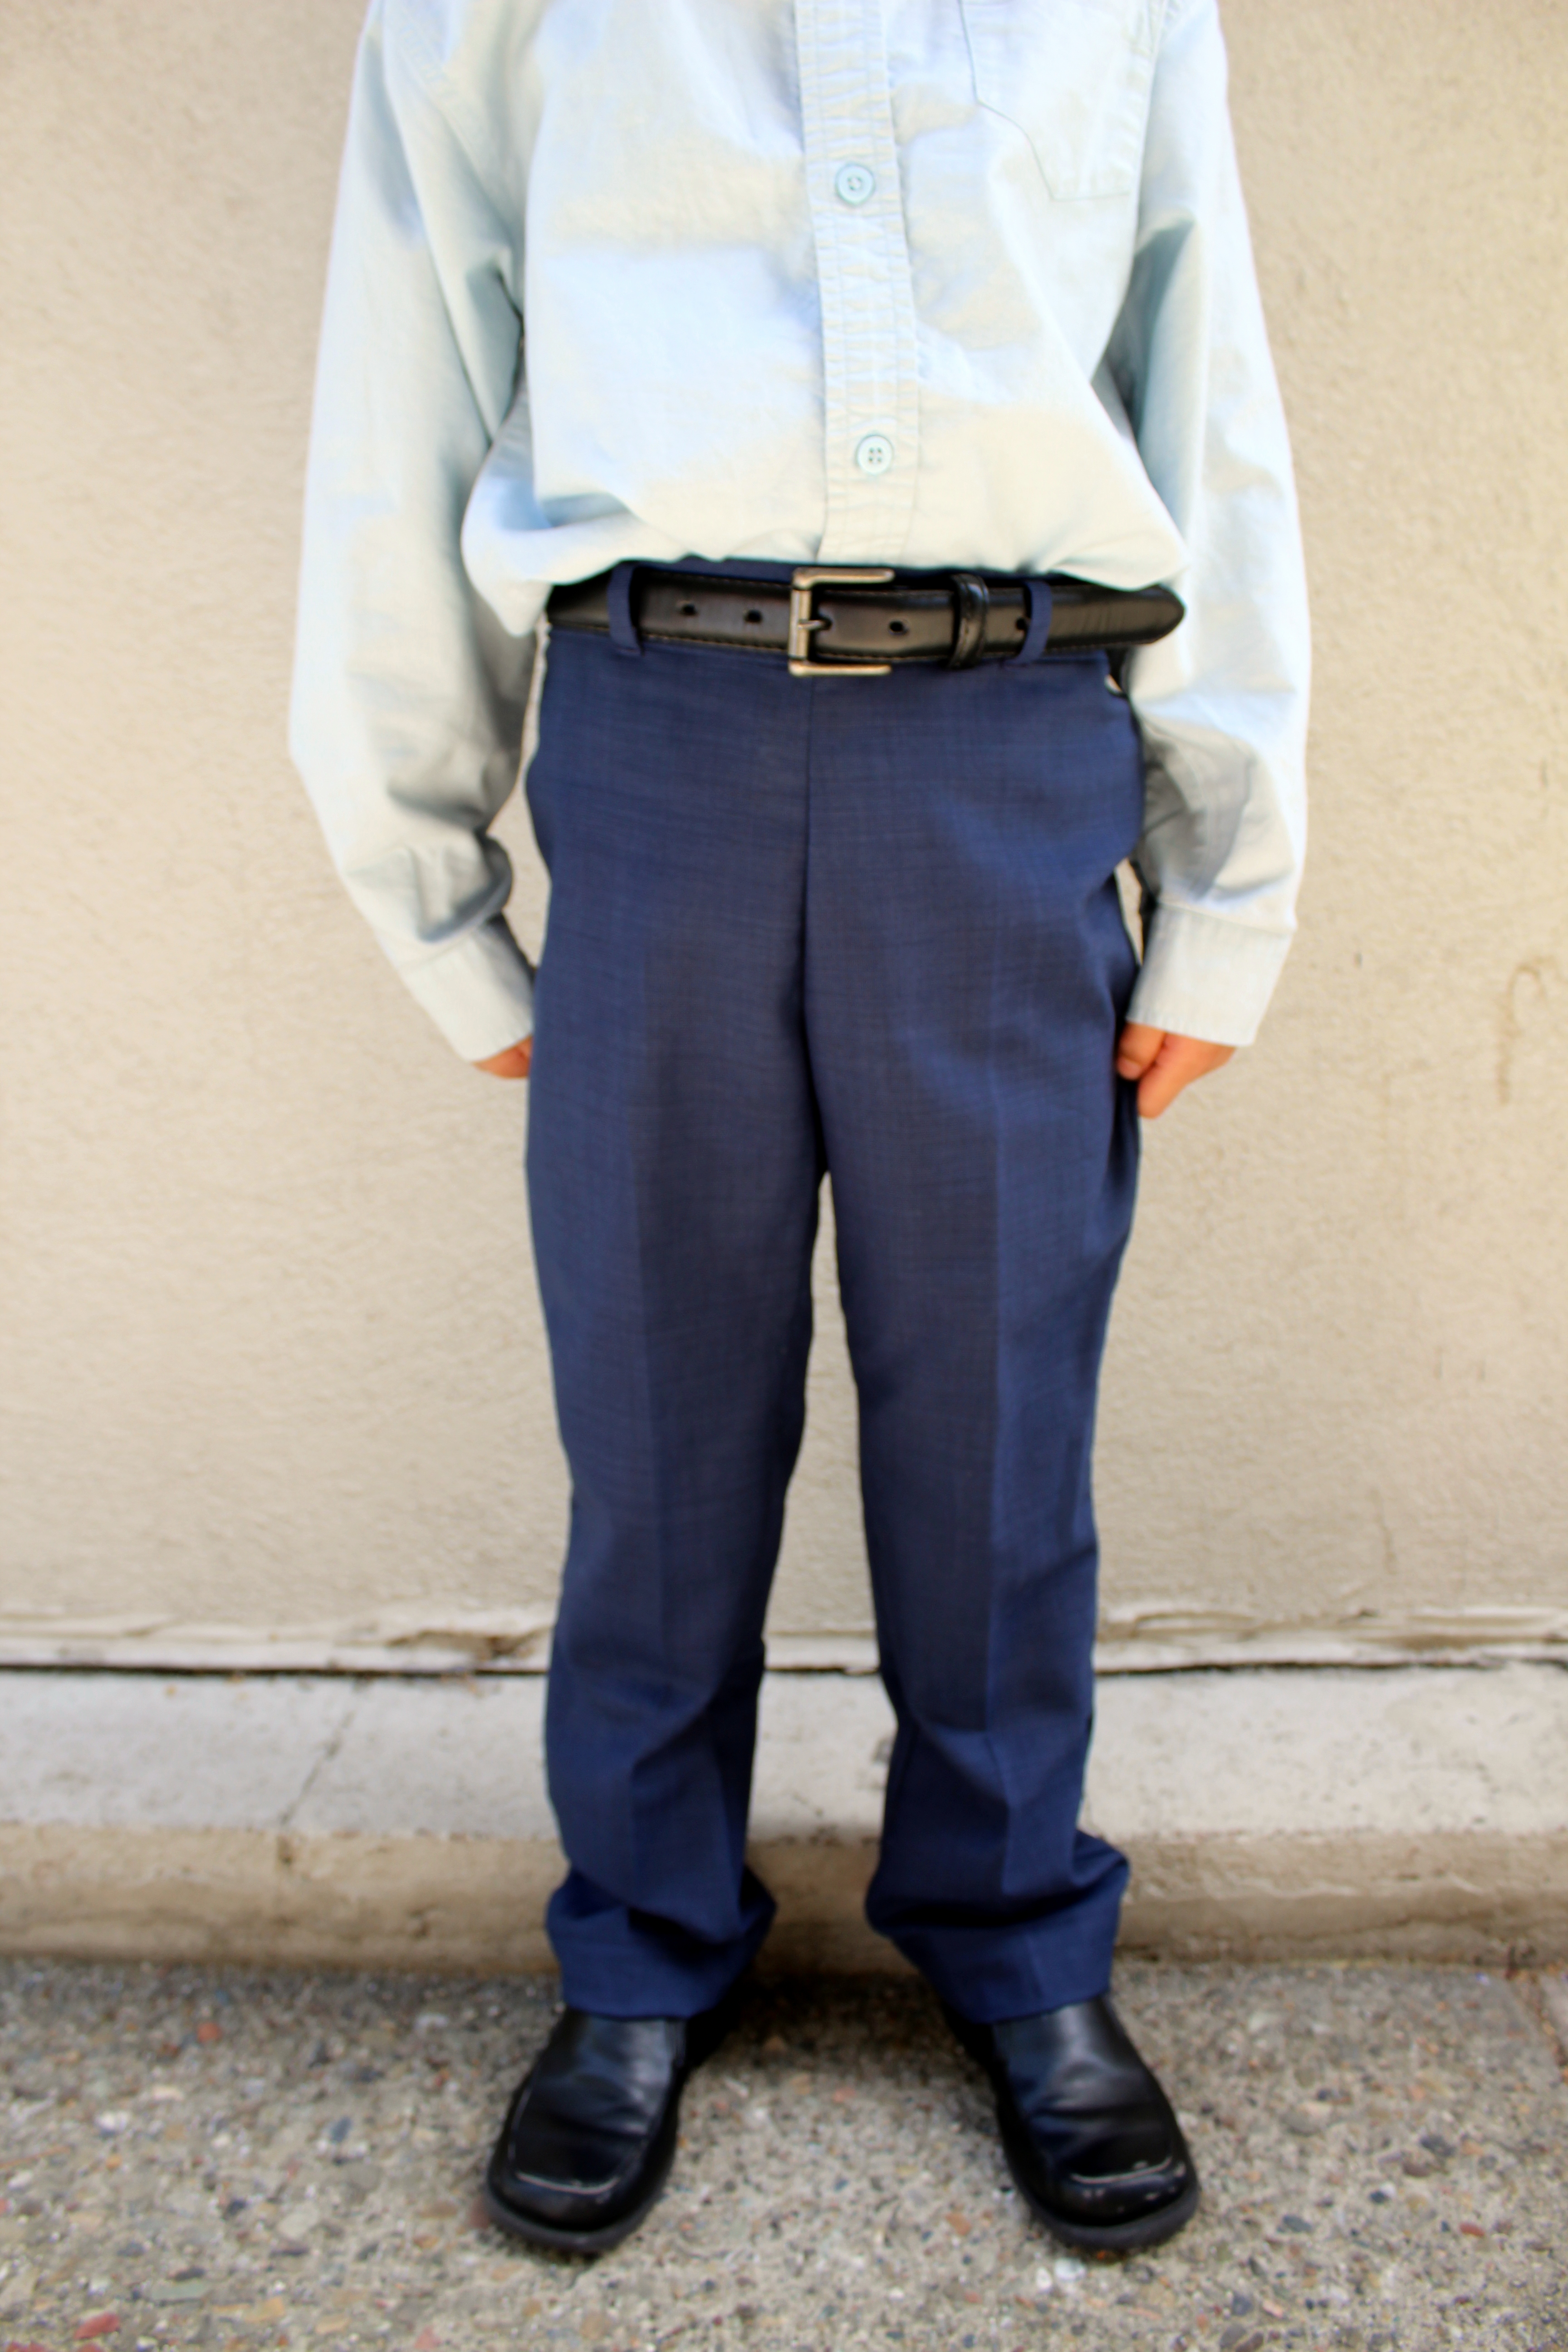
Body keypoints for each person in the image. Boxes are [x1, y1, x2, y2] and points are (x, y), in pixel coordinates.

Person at [292, 0, 1308, 2262]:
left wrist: (1231, 875)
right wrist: (425, 883)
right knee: (655, 1422)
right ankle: (640, 1948)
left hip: (1007, 738)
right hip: (659, 737)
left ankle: (1019, 1934)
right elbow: (405, 391)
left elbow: (1203, 385)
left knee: (1002, 1419)